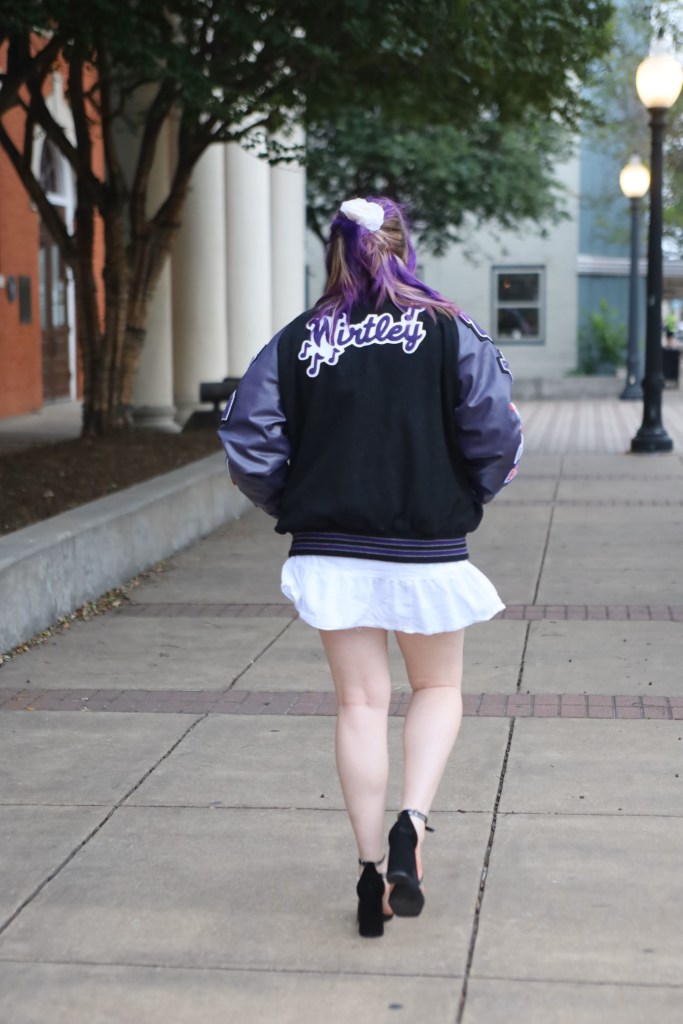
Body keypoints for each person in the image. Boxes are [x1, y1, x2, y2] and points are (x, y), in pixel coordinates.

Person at [218, 196, 523, 938]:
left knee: (359, 703)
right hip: (426, 542)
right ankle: (409, 827)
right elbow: (496, 429)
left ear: (335, 251)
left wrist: (298, 501)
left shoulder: (298, 338)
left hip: (331, 546)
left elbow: (248, 440)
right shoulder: (449, 329)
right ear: (402, 246)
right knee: (437, 688)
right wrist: (467, 493)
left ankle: (366, 873)